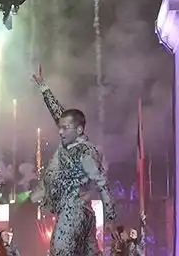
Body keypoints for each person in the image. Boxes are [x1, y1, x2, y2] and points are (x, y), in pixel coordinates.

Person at [29, 69, 117, 256]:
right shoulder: (67, 143)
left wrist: (110, 218)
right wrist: (43, 87)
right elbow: (58, 112)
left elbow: (102, 184)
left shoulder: (85, 152)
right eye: (60, 128)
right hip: (81, 216)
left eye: (65, 128)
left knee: (60, 252)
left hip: (73, 213)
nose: (60, 132)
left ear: (79, 129)